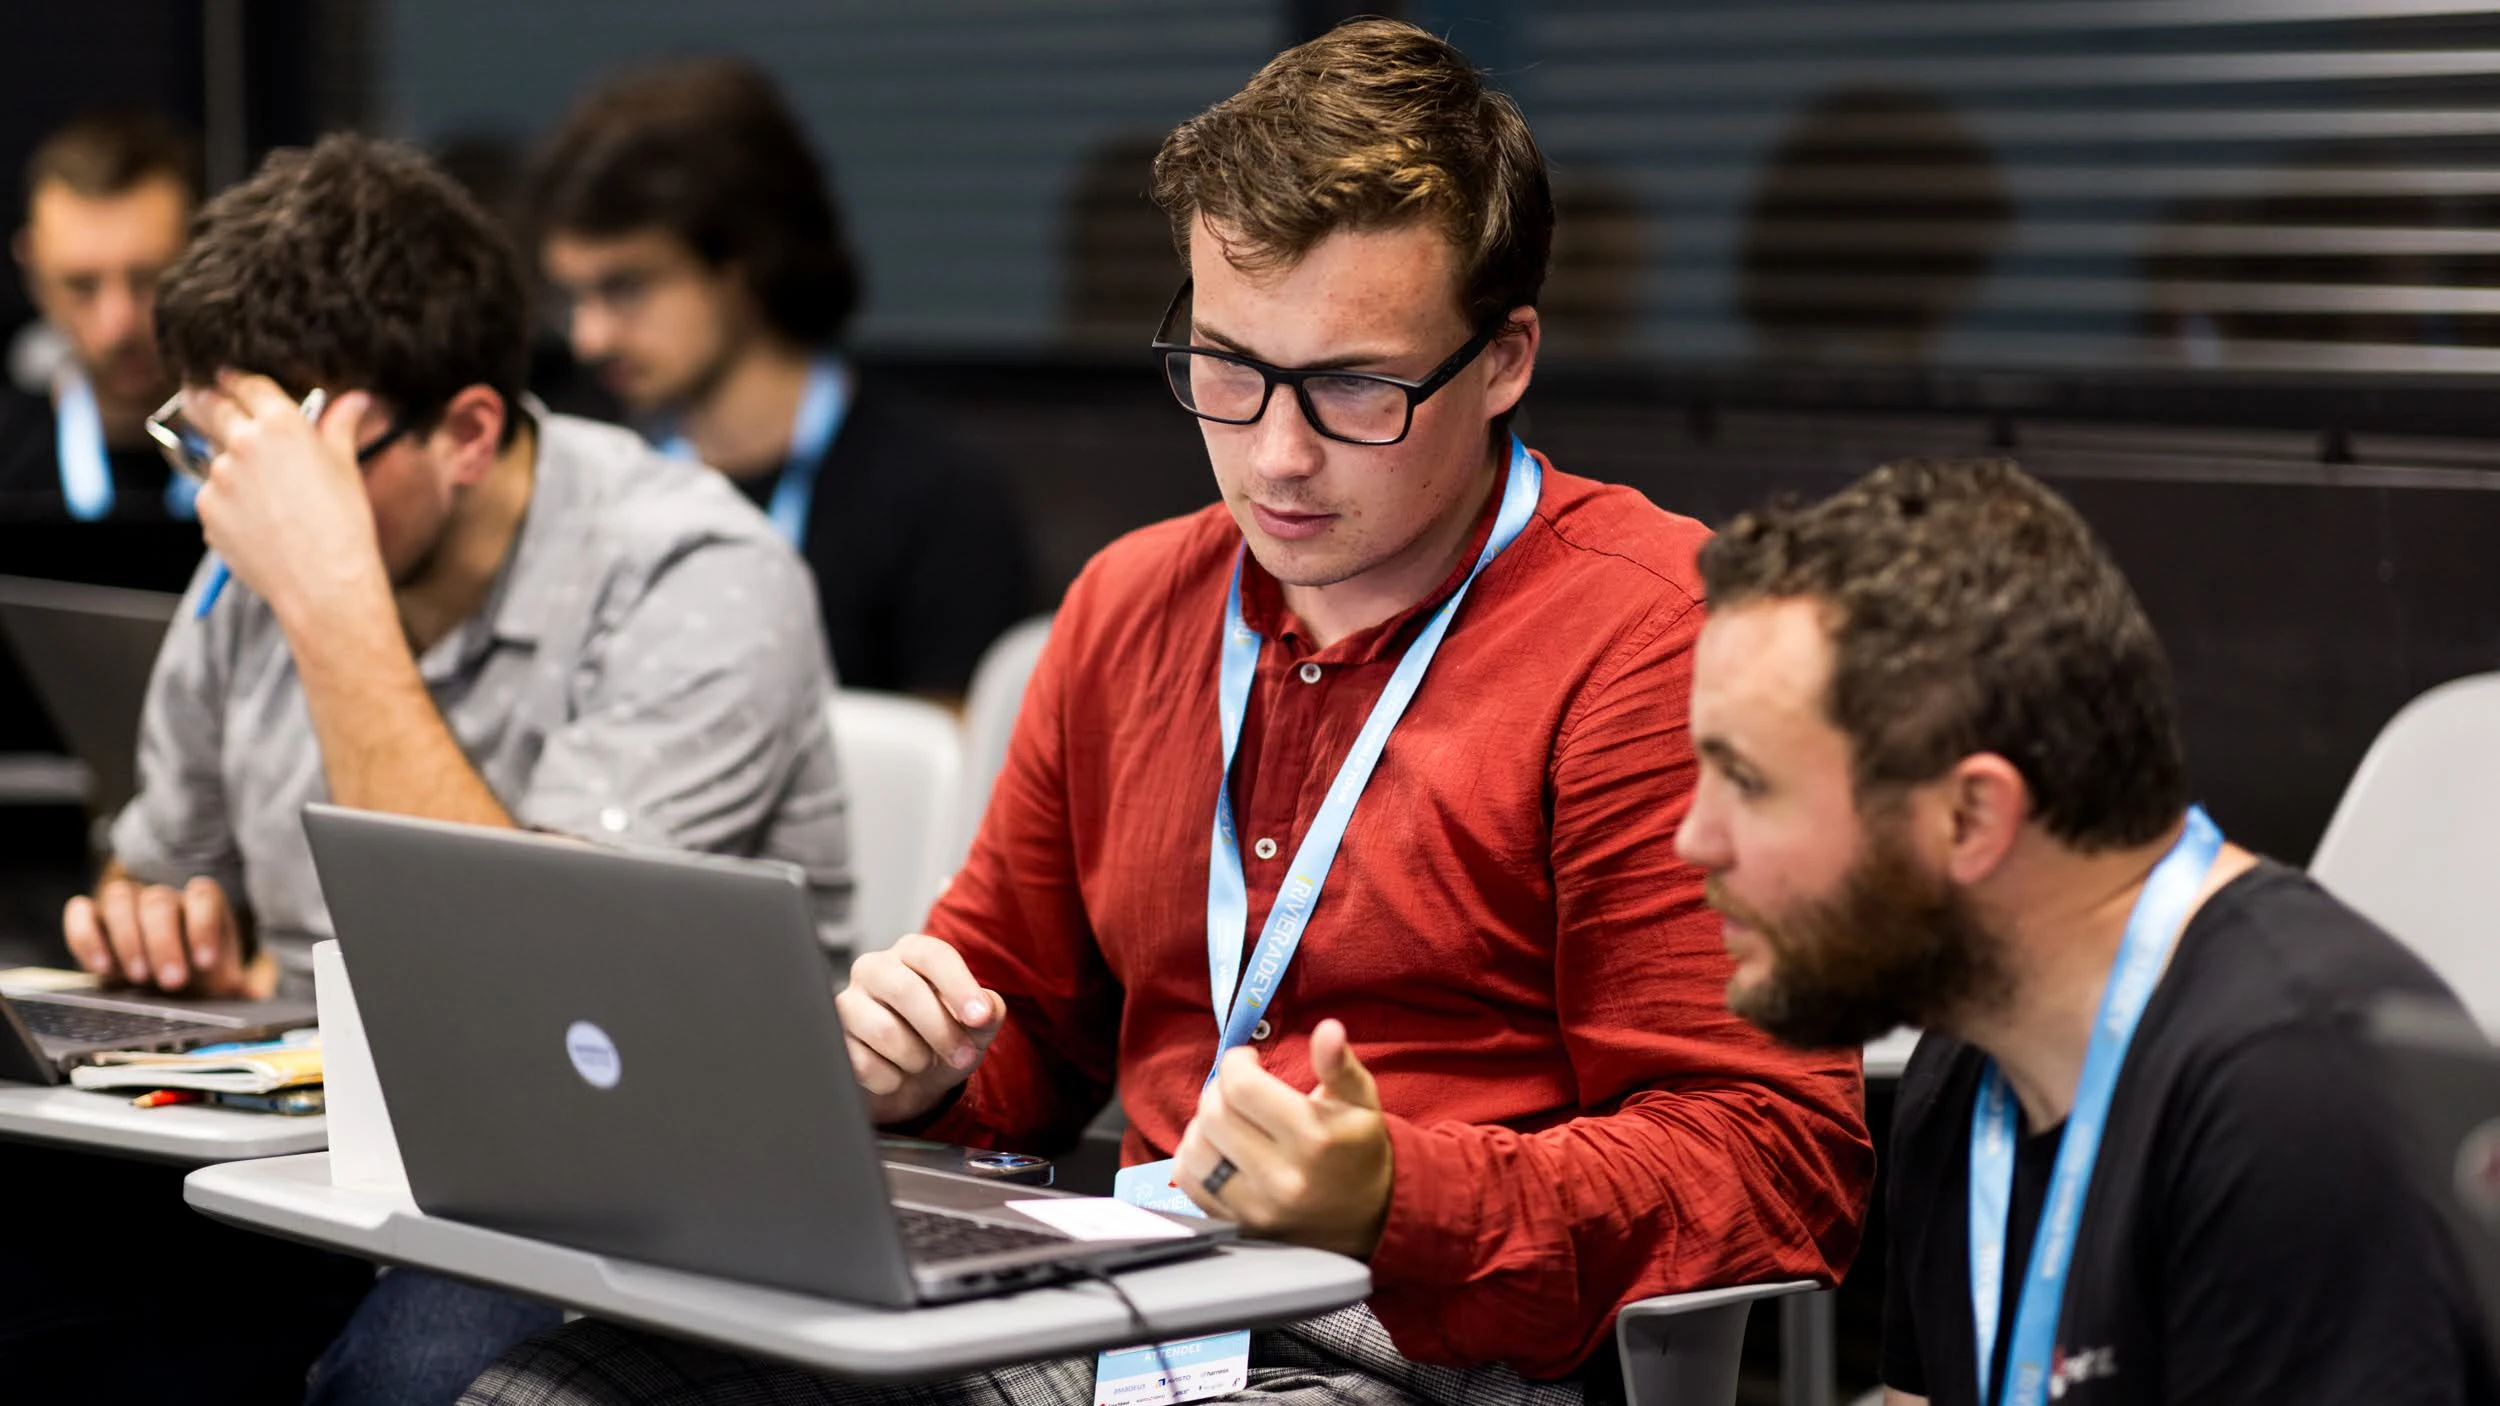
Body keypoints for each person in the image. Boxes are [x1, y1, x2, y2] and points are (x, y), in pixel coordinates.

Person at [468, 19, 1870, 1406]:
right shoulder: (1130, 606)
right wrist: (911, 1065)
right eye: (1226, 366)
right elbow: (1016, 1036)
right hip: (1126, 1299)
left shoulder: (1649, 638)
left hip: (1431, 1341)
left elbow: (1773, 1157)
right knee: (544, 1390)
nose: (1275, 454)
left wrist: (1400, 1195)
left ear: (1503, 360)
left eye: (1354, 386)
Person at [21, 133, 854, 1405]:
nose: (228, 509)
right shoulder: (250, 565)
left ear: (466, 432)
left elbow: (536, 1005)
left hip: (613, 1177)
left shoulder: (698, 575)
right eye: (215, 452)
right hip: (318, 1146)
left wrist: (330, 595)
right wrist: (161, 928)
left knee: (414, 1376)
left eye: (287, 467)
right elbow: (151, 869)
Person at [1675, 457, 2496, 1405]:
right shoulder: (1970, 1061)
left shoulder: (2297, 1107)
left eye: (1749, 782)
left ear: (1970, 819)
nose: (1694, 838)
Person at [528, 57, 1036, 701]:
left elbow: (964, 758)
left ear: (747, 265)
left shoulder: (938, 500)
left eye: (626, 287)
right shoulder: (575, 473)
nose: (588, 337)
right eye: (573, 297)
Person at [2, 109, 198, 520]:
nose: (118, 326)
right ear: (33, 273)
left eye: (149, 279)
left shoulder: (283, 461)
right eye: (81, 286)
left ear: (200, 260)